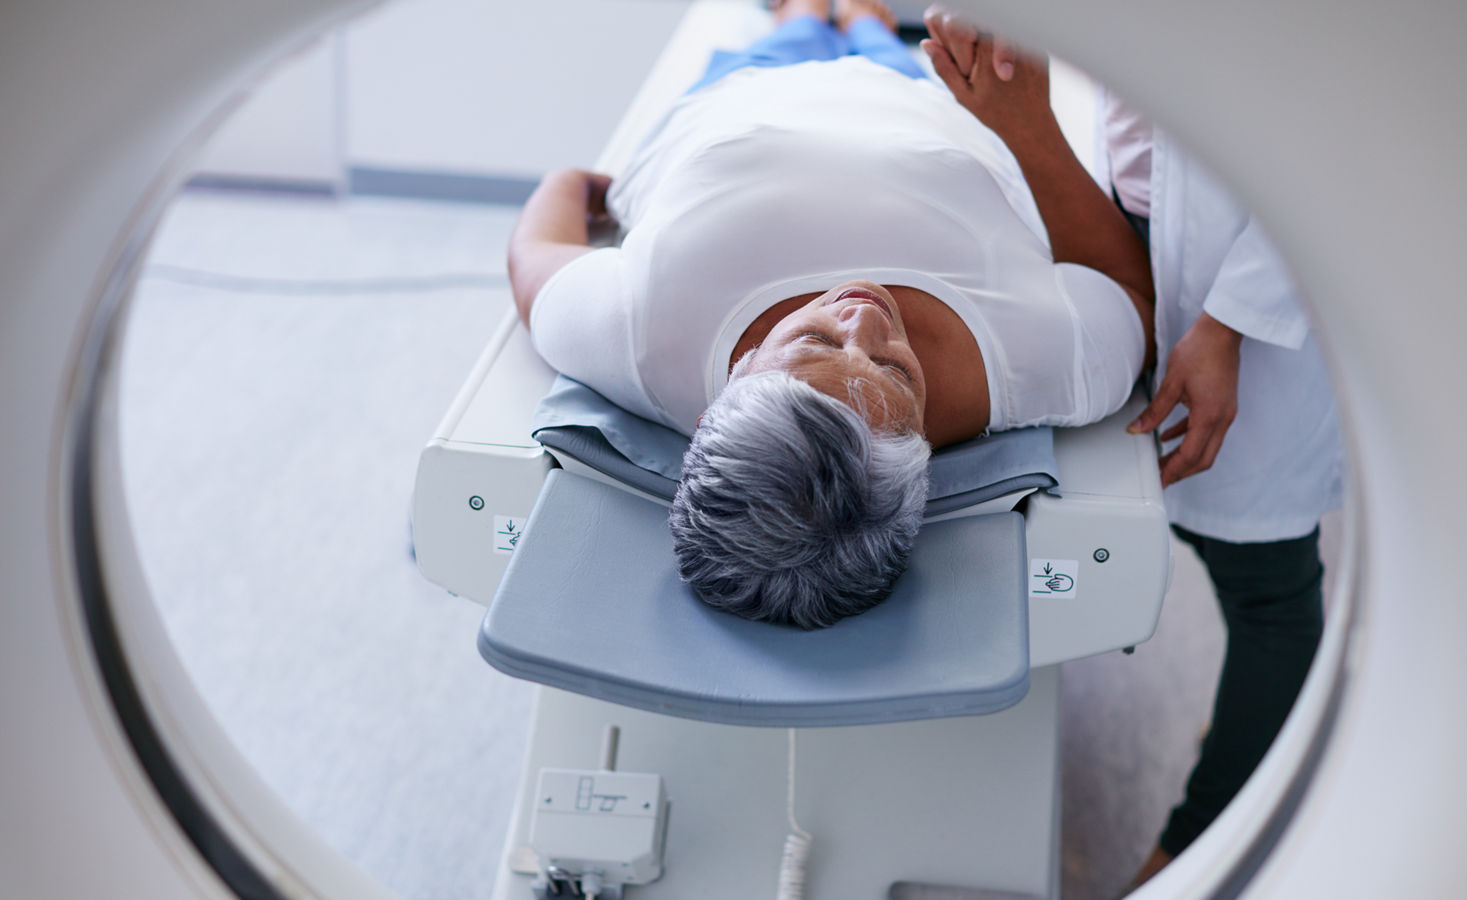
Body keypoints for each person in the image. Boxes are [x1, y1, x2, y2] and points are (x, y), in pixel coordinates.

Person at [507, 0, 1155, 629]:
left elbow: (535, 255)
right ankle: (862, 18)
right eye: (898, 375)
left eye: (814, 340)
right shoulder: (1041, 367)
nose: (864, 317)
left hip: (741, 98)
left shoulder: (640, 340)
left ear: (717, 407)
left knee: (795, 22)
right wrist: (1027, 127)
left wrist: (568, 185)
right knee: (873, 29)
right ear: (922, 453)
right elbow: (1129, 292)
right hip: (924, 109)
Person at [921, 7, 1343, 890]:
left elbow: (1340, 135)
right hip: (1134, 202)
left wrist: (1227, 324)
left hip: (1242, 255)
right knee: (1171, 502)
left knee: (1265, 579)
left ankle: (1202, 842)